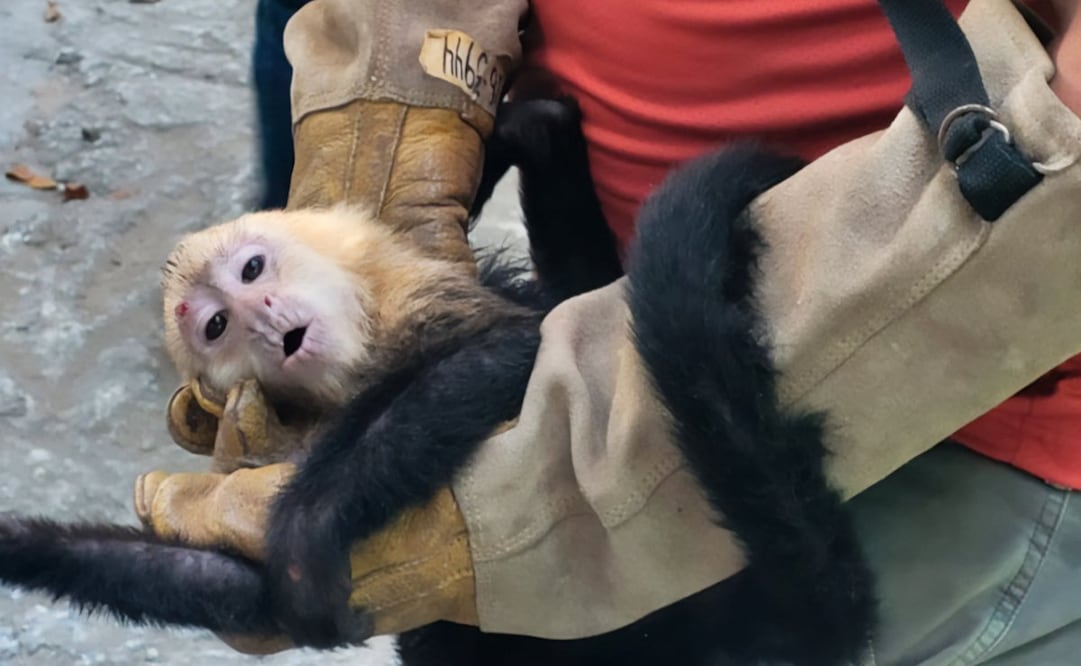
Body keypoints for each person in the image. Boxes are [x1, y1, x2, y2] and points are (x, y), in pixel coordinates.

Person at [135, 0, 1081, 663]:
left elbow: (1054, 153)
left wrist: (578, 480)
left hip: (961, 411)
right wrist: (393, 103)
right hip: (643, 300)